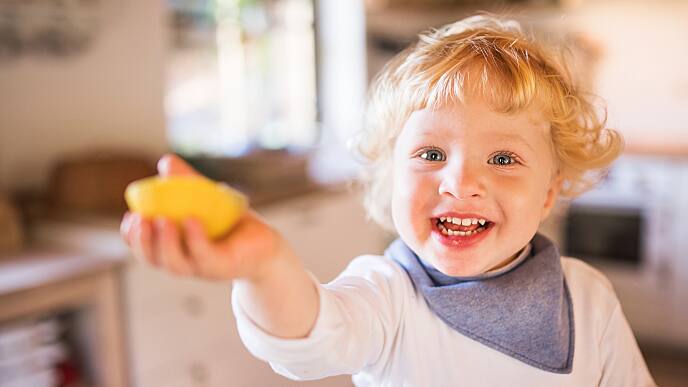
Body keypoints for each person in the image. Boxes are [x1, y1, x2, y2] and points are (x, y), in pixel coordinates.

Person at [120, 14, 656, 386]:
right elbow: (307, 337)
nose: (459, 183)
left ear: (549, 192)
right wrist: (265, 266)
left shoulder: (587, 298)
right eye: (429, 153)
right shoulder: (388, 294)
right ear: (390, 175)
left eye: (502, 159)